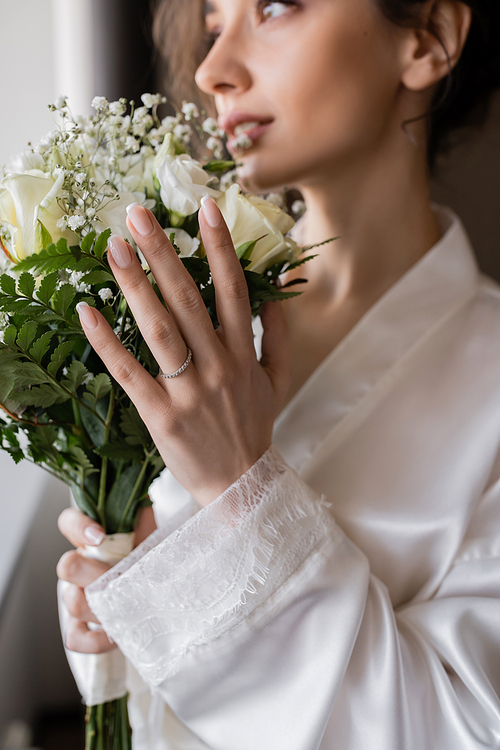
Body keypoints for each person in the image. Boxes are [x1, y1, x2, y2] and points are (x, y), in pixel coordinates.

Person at [55, 0, 500, 747]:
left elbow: (458, 728)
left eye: (274, 7)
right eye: (212, 25)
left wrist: (239, 485)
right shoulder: (187, 333)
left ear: (428, 38)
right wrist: (120, 619)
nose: (210, 71)